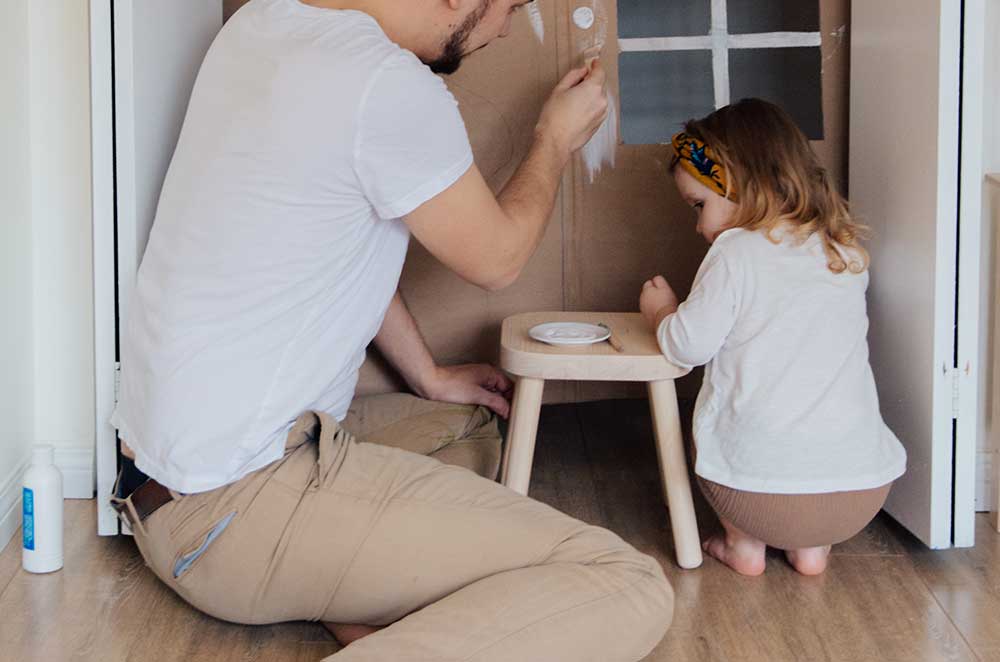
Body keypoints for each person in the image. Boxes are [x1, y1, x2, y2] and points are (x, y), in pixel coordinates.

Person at [110, 0, 674, 660]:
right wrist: (553, 138)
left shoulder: (262, 24)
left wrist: (430, 375)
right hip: (232, 514)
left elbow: (335, 252)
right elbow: (498, 259)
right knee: (627, 583)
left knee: (474, 426)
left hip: (161, 488)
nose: (505, 29)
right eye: (511, 8)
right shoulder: (383, 83)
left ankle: (353, 604)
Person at [638, 98, 907, 577]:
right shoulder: (844, 250)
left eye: (700, 206)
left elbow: (688, 346)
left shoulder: (734, 253)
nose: (700, 226)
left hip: (757, 496)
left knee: (712, 423)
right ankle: (811, 550)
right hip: (859, 494)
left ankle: (742, 544)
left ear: (739, 184)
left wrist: (662, 312)